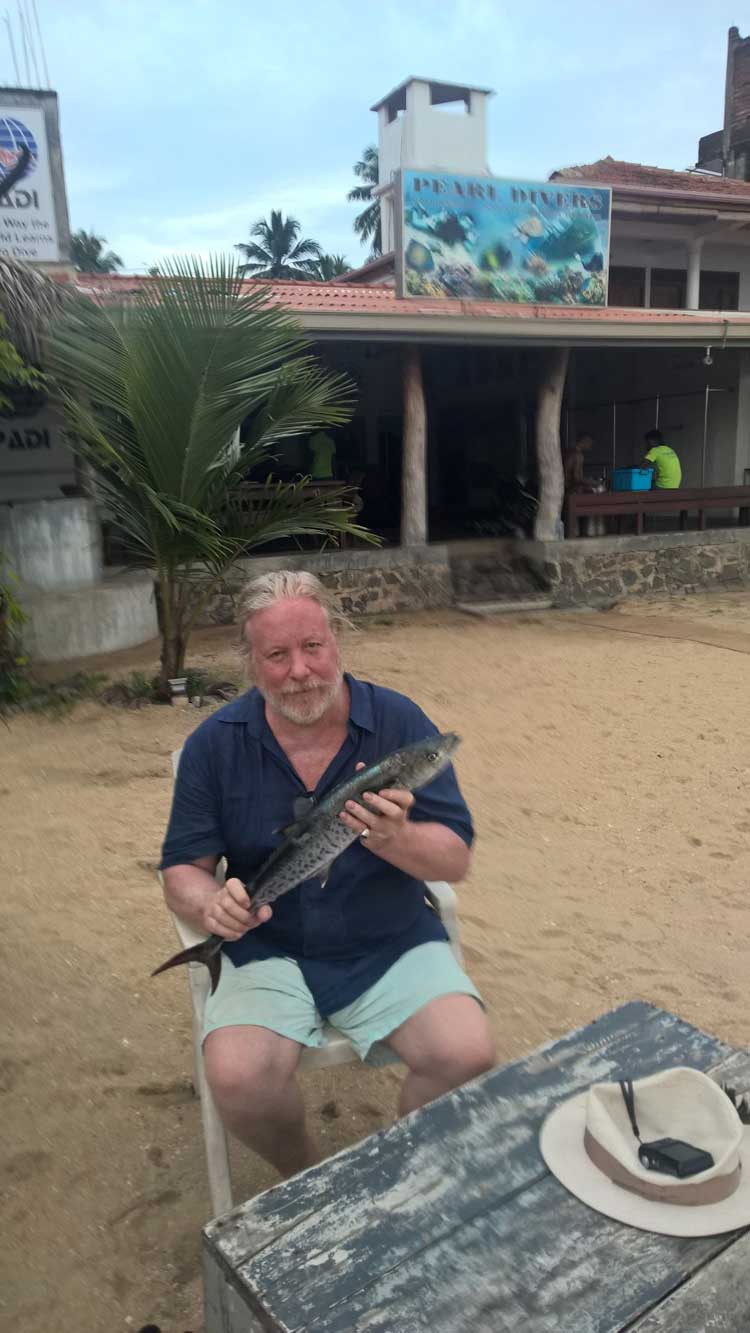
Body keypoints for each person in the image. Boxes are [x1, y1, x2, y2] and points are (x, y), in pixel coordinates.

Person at [159, 571, 495, 1178]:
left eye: (312, 648)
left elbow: (455, 860)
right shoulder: (214, 745)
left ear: (337, 640)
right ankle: (312, 1180)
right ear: (251, 663)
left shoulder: (399, 722)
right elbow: (183, 869)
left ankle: (398, 1172)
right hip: (267, 944)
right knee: (238, 1078)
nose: (299, 671)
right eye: (277, 656)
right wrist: (210, 906)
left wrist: (398, 839)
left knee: (466, 1052)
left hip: (387, 937)